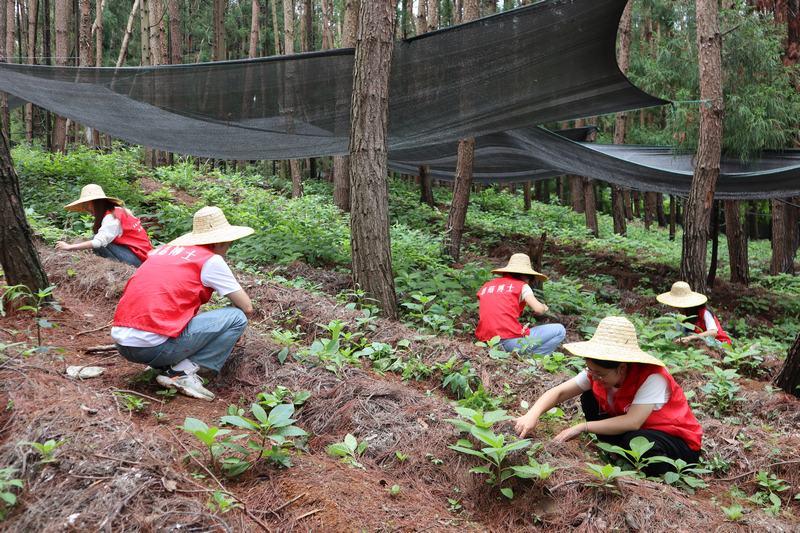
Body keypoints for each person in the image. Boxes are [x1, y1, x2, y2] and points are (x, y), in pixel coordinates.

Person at [514, 316, 703, 475]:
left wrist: (582, 427)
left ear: (621, 368)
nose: (594, 377)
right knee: (589, 397)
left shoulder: (652, 377)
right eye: (591, 371)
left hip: (676, 442)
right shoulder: (598, 373)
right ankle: (618, 453)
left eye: (600, 374)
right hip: (636, 432)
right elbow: (559, 392)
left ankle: (649, 471)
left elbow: (632, 422)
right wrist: (532, 414)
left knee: (637, 441)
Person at [111, 206, 254, 401]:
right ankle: (183, 372)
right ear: (222, 240)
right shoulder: (210, 261)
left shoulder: (162, 252)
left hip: (123, 343)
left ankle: (166, 363)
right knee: (236, 318)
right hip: (152, 347)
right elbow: (246, 307)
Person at [475, 253, 565, 356]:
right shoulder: (522, 286)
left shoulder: (487, 285)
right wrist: (544, 307)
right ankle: (536, 358)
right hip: (508, 343)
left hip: (485, 342)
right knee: (559, 330)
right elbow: (538, 309)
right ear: (526, 276)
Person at [55, 184, 153, 267]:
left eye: (87, 205)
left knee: (98, 243)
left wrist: (69, 247)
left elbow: (98, 242)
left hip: (140, 261)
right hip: (144, 257)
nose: (87, 209)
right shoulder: (118, 211)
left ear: (96, 203)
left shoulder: (111, 217)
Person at [656, 281, 732, 346]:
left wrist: (690, 338)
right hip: (700, 341)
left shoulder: (704, 312)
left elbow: (713, 332)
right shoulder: (685, 315)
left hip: (719, 343)